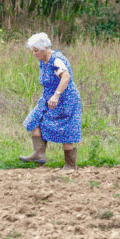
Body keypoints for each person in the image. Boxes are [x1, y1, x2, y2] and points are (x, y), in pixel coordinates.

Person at [20, 33, 82, 171]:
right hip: (48, 99)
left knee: (67, 131)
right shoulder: (43, 61)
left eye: (36, 50)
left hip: (66, 100)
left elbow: (66, 77)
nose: (34, 53)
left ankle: (70, 165)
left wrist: (56, 95)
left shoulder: (57, 60)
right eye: (33, 51)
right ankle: (39, 154)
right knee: (33, 120)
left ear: (46, 48)